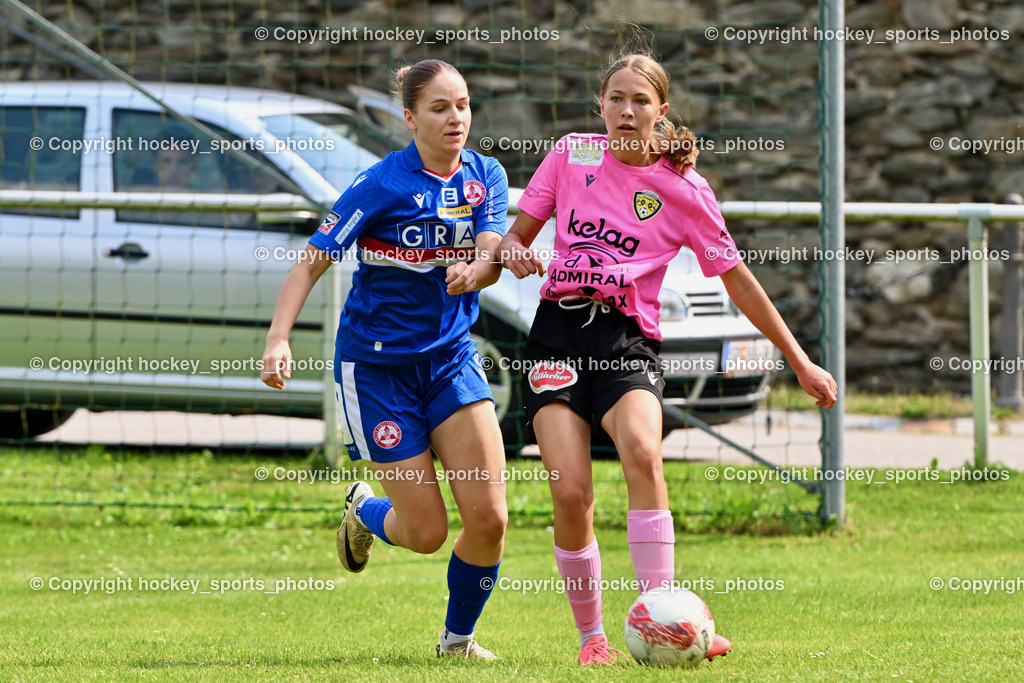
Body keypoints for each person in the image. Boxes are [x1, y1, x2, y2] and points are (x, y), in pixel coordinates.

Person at [500, 52, 838, 665]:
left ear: (661, 110)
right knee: (571, 493)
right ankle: (592, 639)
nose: (626, 112)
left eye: (640, 101)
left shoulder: (685, 190)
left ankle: (669, 620)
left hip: (626, 339)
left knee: (644, 451)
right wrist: (511, 251)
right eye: (615, 99)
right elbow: (514, 237)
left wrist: (800, 360)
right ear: (600, 104)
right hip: (556, 338)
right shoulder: (573, 153)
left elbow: (739, 282)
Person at [260, 59, 509, 660]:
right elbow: (311, 261)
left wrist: (480, 267)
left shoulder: (486, 174)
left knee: (491, 518)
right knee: (426, 533)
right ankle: (365, 510)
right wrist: (278, 339)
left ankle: (457, 642)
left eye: (464, 104)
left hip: (451, 360)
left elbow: (490, 243)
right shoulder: (380, 184)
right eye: (440, 107)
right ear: (409, 117)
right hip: (376, 371)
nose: (456, 118)